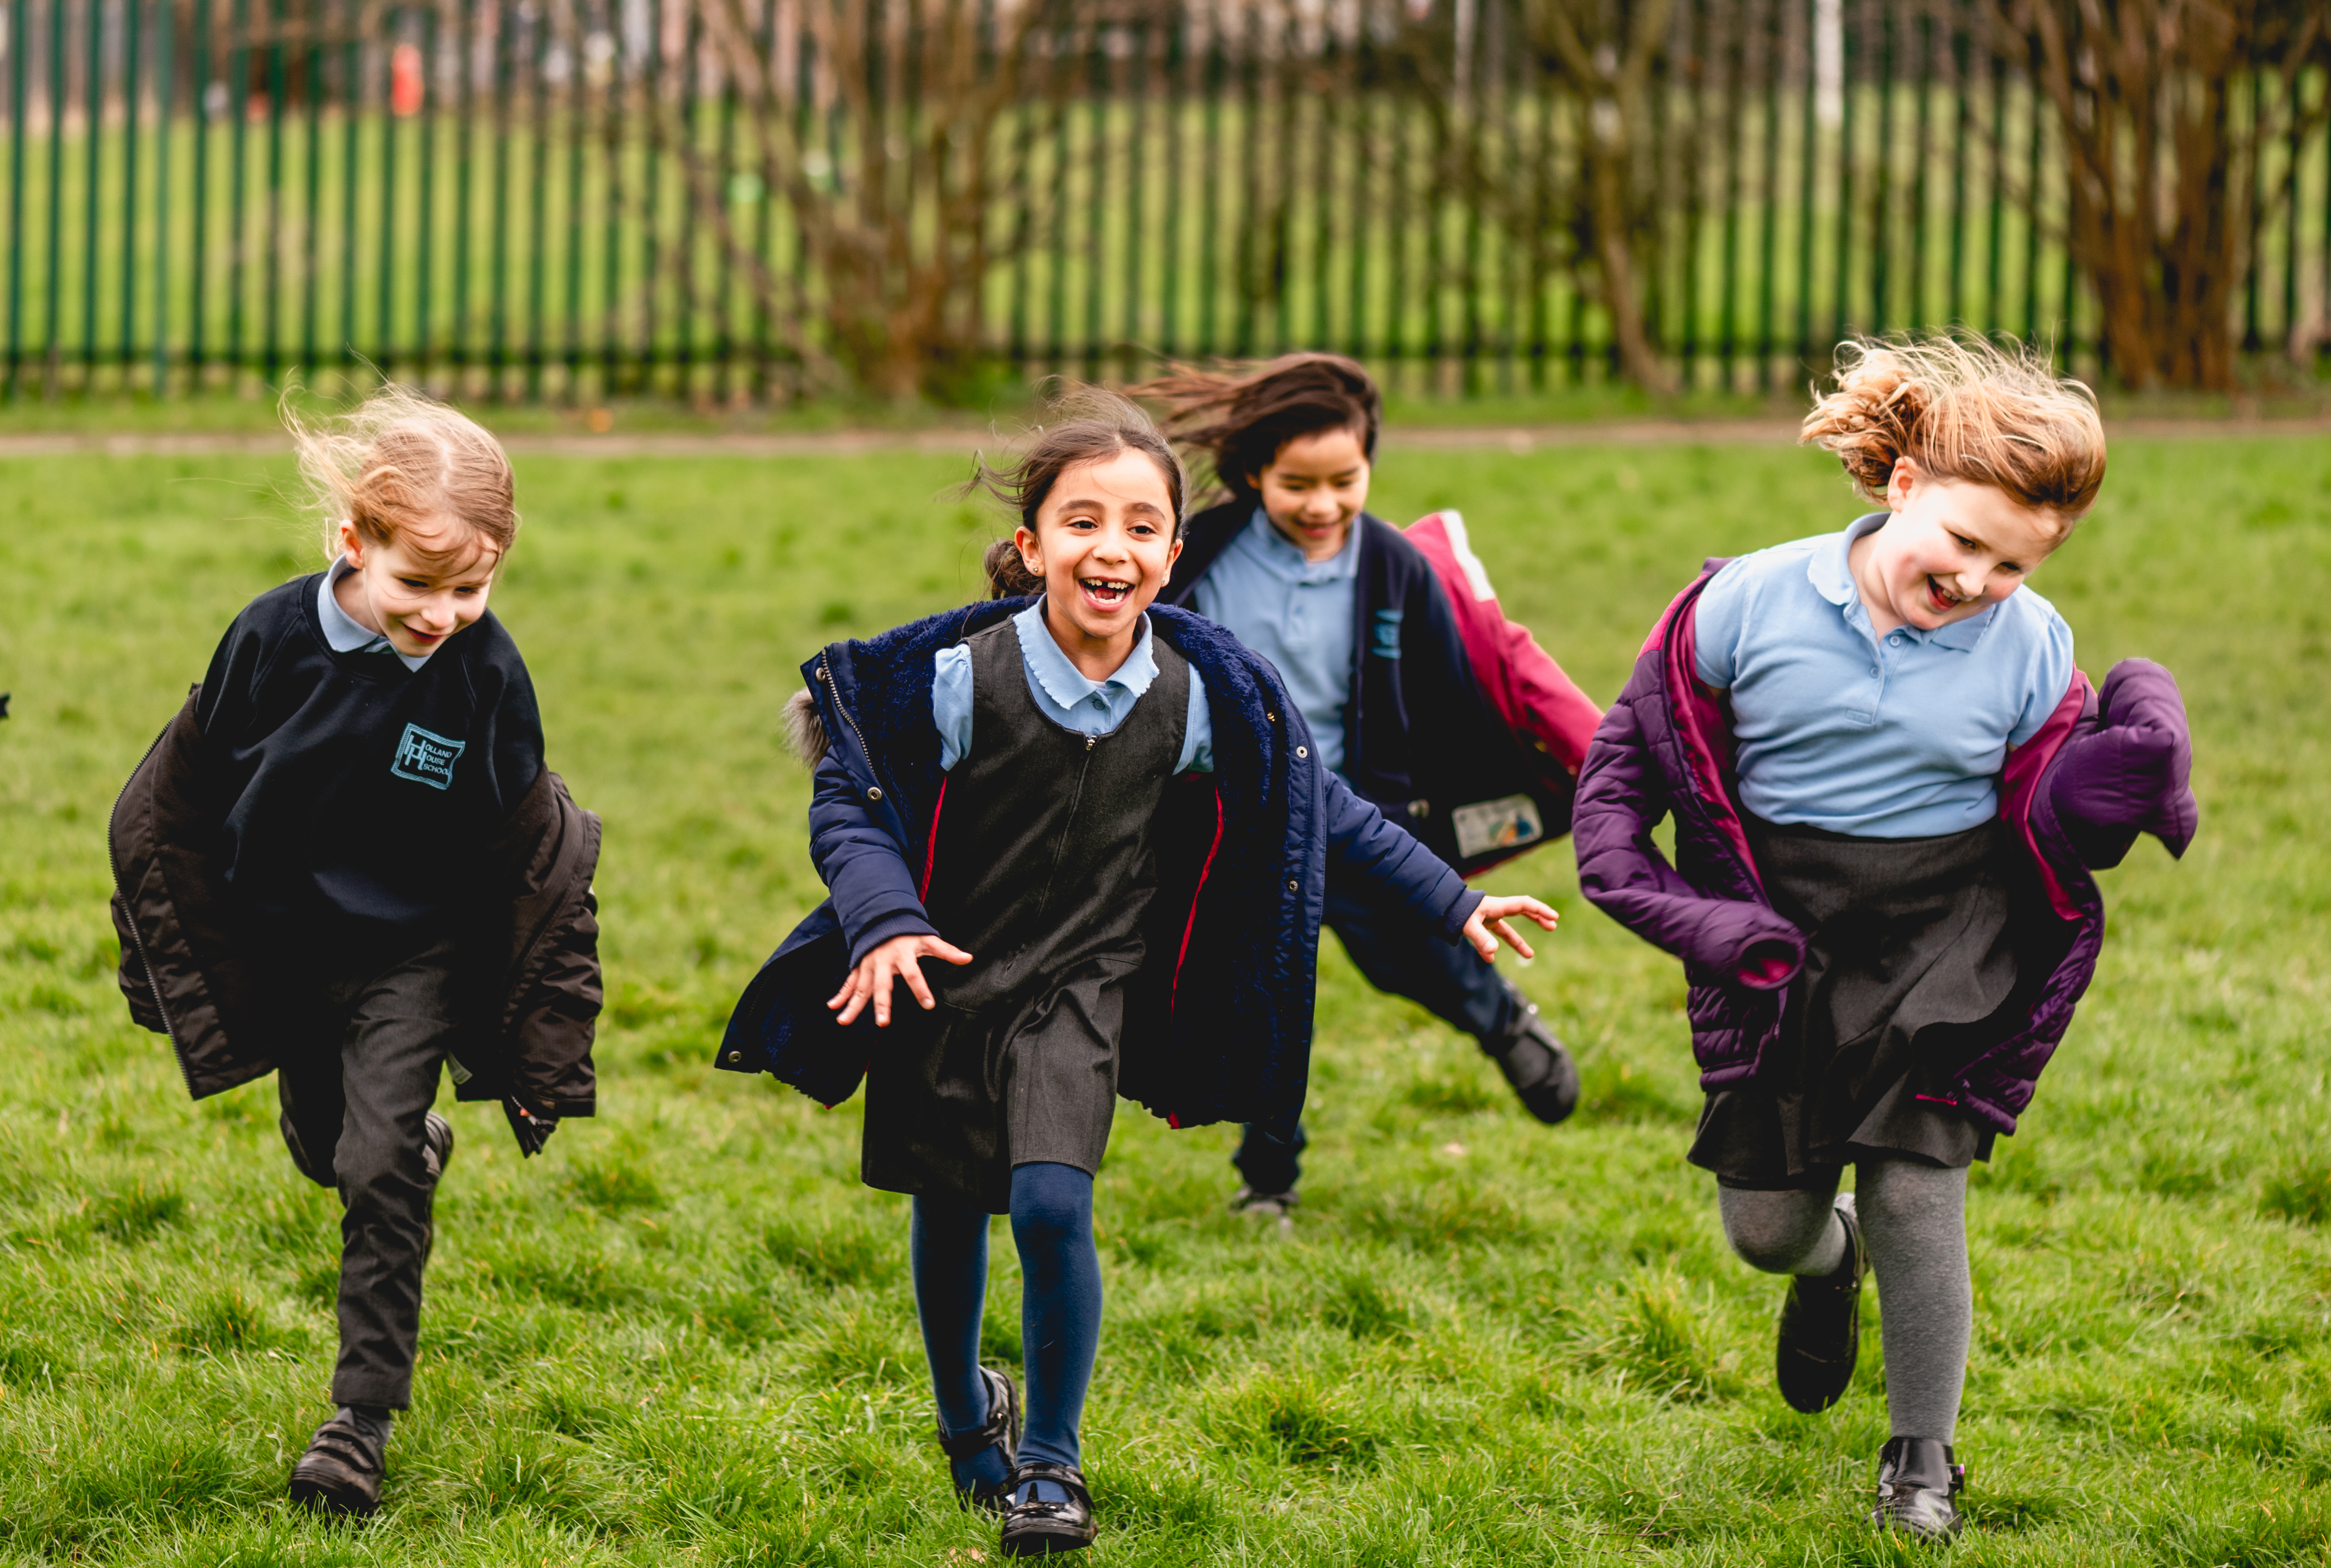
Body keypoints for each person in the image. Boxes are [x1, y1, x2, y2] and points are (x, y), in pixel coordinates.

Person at [716, 389, 1556, 1555]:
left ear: (1172, 551)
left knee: (1054, 1202)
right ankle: (968, 1416)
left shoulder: (1203, 696)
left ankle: (1051, 1466)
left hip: (1083, 982)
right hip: (943, 971)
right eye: (1080, 522)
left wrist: (1452, 897)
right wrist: (884, 922)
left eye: (1138, 526)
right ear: (1032, 546)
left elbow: (1327, 811)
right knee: (951, 1204)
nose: (1108, 548)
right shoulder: (961, 678)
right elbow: (854, 805)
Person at [1573, 335, 2197, 1539]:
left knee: (1922, 1185)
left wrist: (2128, 771)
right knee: (1766, 1228)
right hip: (1783, 938)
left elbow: (2052, 812)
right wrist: (1698, 913)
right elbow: (1625, 767)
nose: (1976, 581)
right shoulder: (1745, 603)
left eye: (2011, 564)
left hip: (1947, 928)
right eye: (1964, 543)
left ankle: (1923, 1458)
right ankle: (1826, 1259)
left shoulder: (2032, 644)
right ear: (1903, 483)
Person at [107, 387, 604, 1517]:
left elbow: (540, 865)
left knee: (377, 1170)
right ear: (352, 543)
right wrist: (159, 965)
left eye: (471, 587)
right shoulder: (270, 641)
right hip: (286, 950)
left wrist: (547, 1044)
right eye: (416, 585)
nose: (442, 613)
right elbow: (171, 810)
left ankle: (358, 1422)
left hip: (413, 957)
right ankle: (396, 1147)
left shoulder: (485, 676)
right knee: (329, 1148)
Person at [1133, 353, 1600, 1221]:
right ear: (1253, 473)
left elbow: (1453, 703)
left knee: (1415, 961)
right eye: (1296, 483)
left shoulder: (1395, 569)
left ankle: (1501, 1022)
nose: (1322, 505)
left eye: (1344, 480)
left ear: (1369, 467)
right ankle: (1268, 1178)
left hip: (1361, 820)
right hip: (1236, 824)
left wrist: (1483, 811)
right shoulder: (1198, 558)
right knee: (1273, 992)